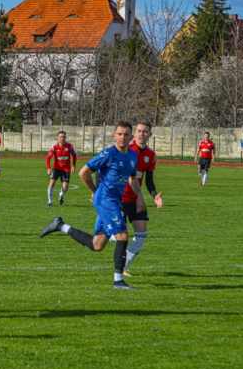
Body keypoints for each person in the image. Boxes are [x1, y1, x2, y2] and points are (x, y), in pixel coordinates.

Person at [40, 121, 145, 289]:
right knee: (123, 236)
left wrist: (139, 195)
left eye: (126, 134)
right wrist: (95, 191)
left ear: (131, 137)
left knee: (97, 245)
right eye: (119, 134)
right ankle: (118, 281)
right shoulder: (108, 154)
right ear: (114, 136)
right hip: (105, 199)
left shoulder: (132, 156)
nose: (122, 137)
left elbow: (132, 178)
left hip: (114, 201)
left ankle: (60, 226)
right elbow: (84, 172)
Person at [121, 120, 163, 276]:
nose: (141, 134)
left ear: (150, 135)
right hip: (119, 198)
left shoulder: (151, 155)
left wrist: (155, 197)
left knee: (141, 234)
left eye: (145, 131)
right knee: (112, 237)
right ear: (134, 133)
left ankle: (122, 267)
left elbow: (148, 180)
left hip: (136, 199)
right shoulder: (125, 149)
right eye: (139, 131)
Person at [46, 131, 77, 206]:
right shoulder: (54, 146)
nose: (62, 138)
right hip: (56, 168)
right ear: (58, 137)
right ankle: (50, 201)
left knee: (65, 187)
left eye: (64, 137)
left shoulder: (69, 146)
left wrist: (73, 166)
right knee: (51, 184)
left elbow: (74, 155)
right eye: (61, 137)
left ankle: (61, 194)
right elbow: (48, 157)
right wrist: (49, 168)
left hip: (66, 169)